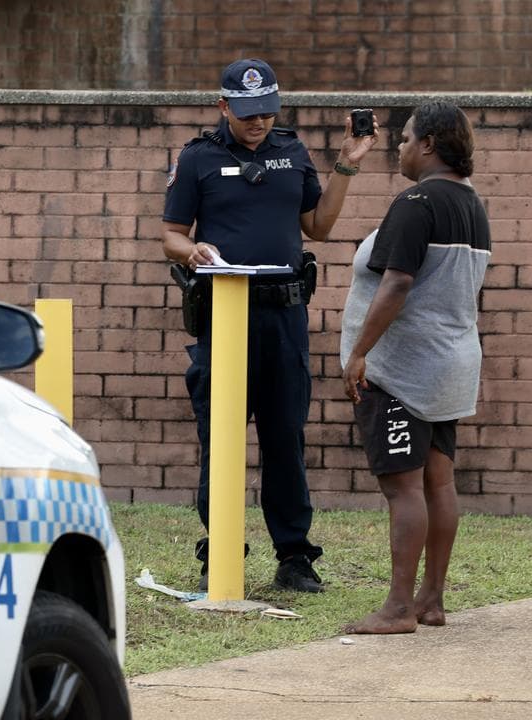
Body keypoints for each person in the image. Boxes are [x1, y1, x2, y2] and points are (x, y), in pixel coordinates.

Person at [162, 58, 378, 593]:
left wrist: (346, 165)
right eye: (246, 112)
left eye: (265, 112)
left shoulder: (292, 151)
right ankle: (223, 551)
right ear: (223, 106)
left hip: (284, 317)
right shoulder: (198, 159)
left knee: (285, 438)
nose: (257, 122)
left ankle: (294, 557)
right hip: (224, 316)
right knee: (221, 437)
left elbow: (319, 227)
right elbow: (171, 234)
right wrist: (193, 252)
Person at [340, 101, 490, 633]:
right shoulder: (472, 205)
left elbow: (398, 282)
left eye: (405, 138)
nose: (399, 147)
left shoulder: (417, 201)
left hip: (405, 371)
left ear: (427, 144)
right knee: (438, 484)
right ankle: (430, 600)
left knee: (404, 489)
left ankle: (399, 607)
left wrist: (359, 353)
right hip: (451, 363)